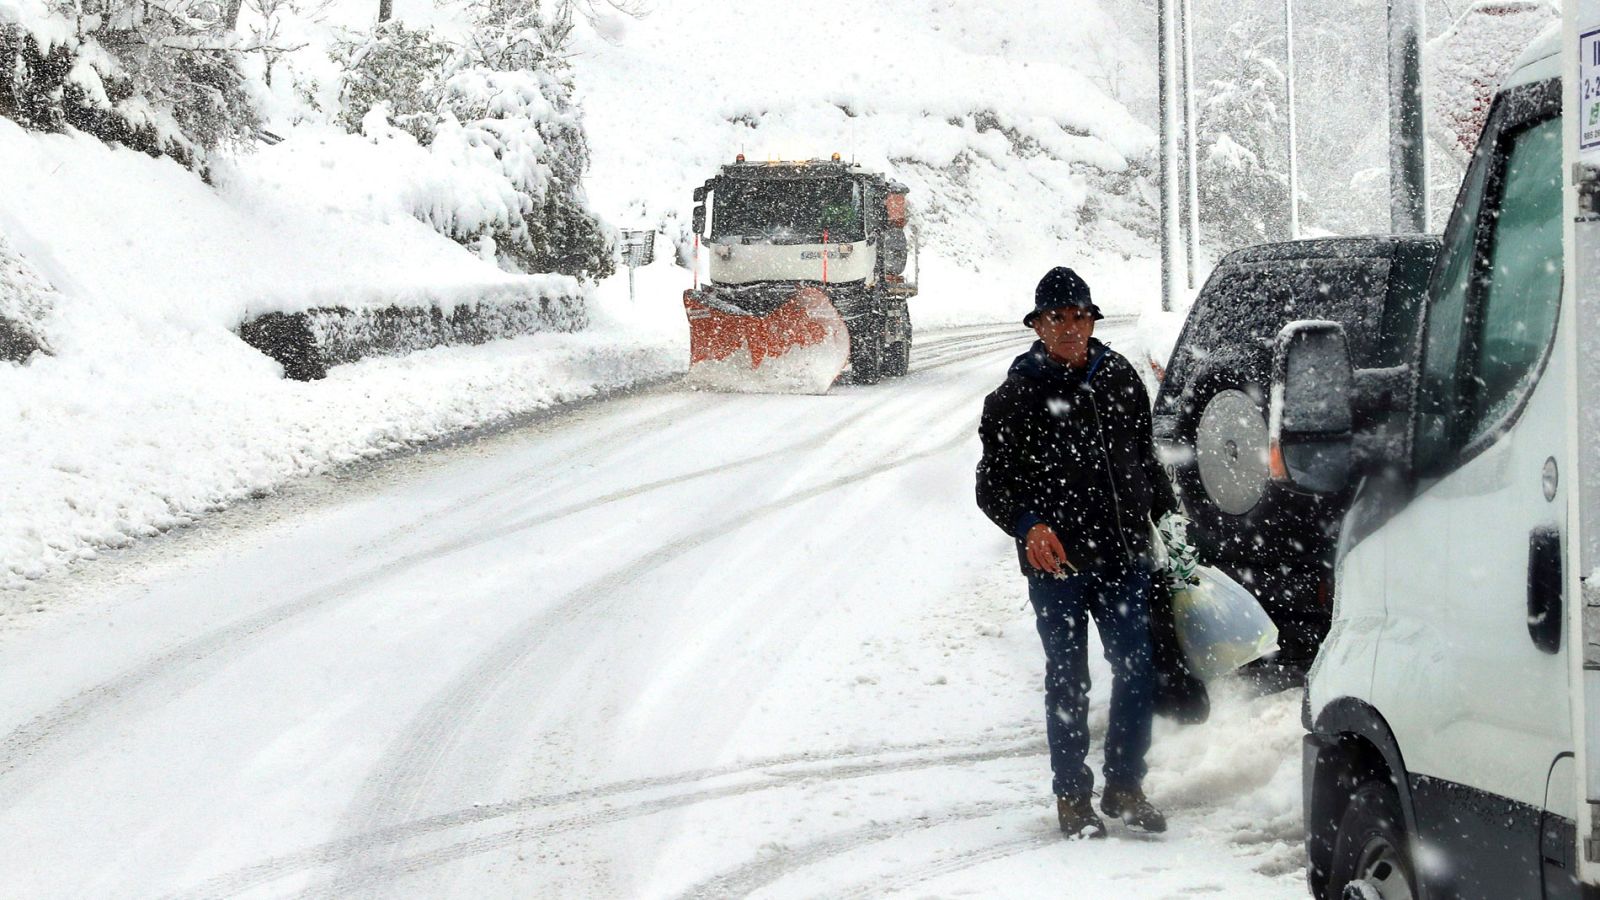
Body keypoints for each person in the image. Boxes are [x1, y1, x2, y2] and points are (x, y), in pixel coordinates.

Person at [975, 266, 1178, 839]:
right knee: (1069, 680)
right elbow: (992, 484)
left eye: (1080, 316)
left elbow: (1145, 458)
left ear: (1092, 320)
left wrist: (1169, 519)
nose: (1070, 327)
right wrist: (1028, 524)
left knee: (1137, 670)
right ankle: (1072, 797)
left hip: (1123, 555)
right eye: (1056, 318)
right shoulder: (1015, 397)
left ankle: (1124, 785)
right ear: (1037, 326)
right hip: (1058, 565)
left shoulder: (1120, 379)